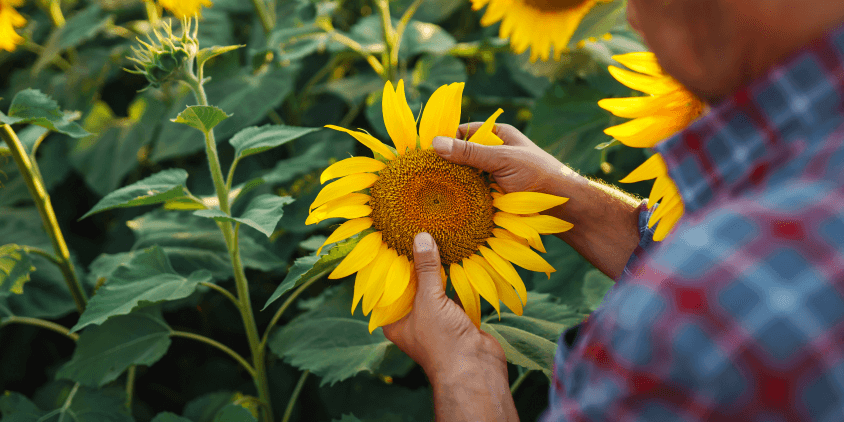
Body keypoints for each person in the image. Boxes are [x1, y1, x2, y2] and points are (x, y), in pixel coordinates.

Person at [381, 0, 844, 420]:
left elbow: (718, 289)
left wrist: (466, 371)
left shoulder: (692, 315)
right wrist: (565, 195)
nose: (628, 13)